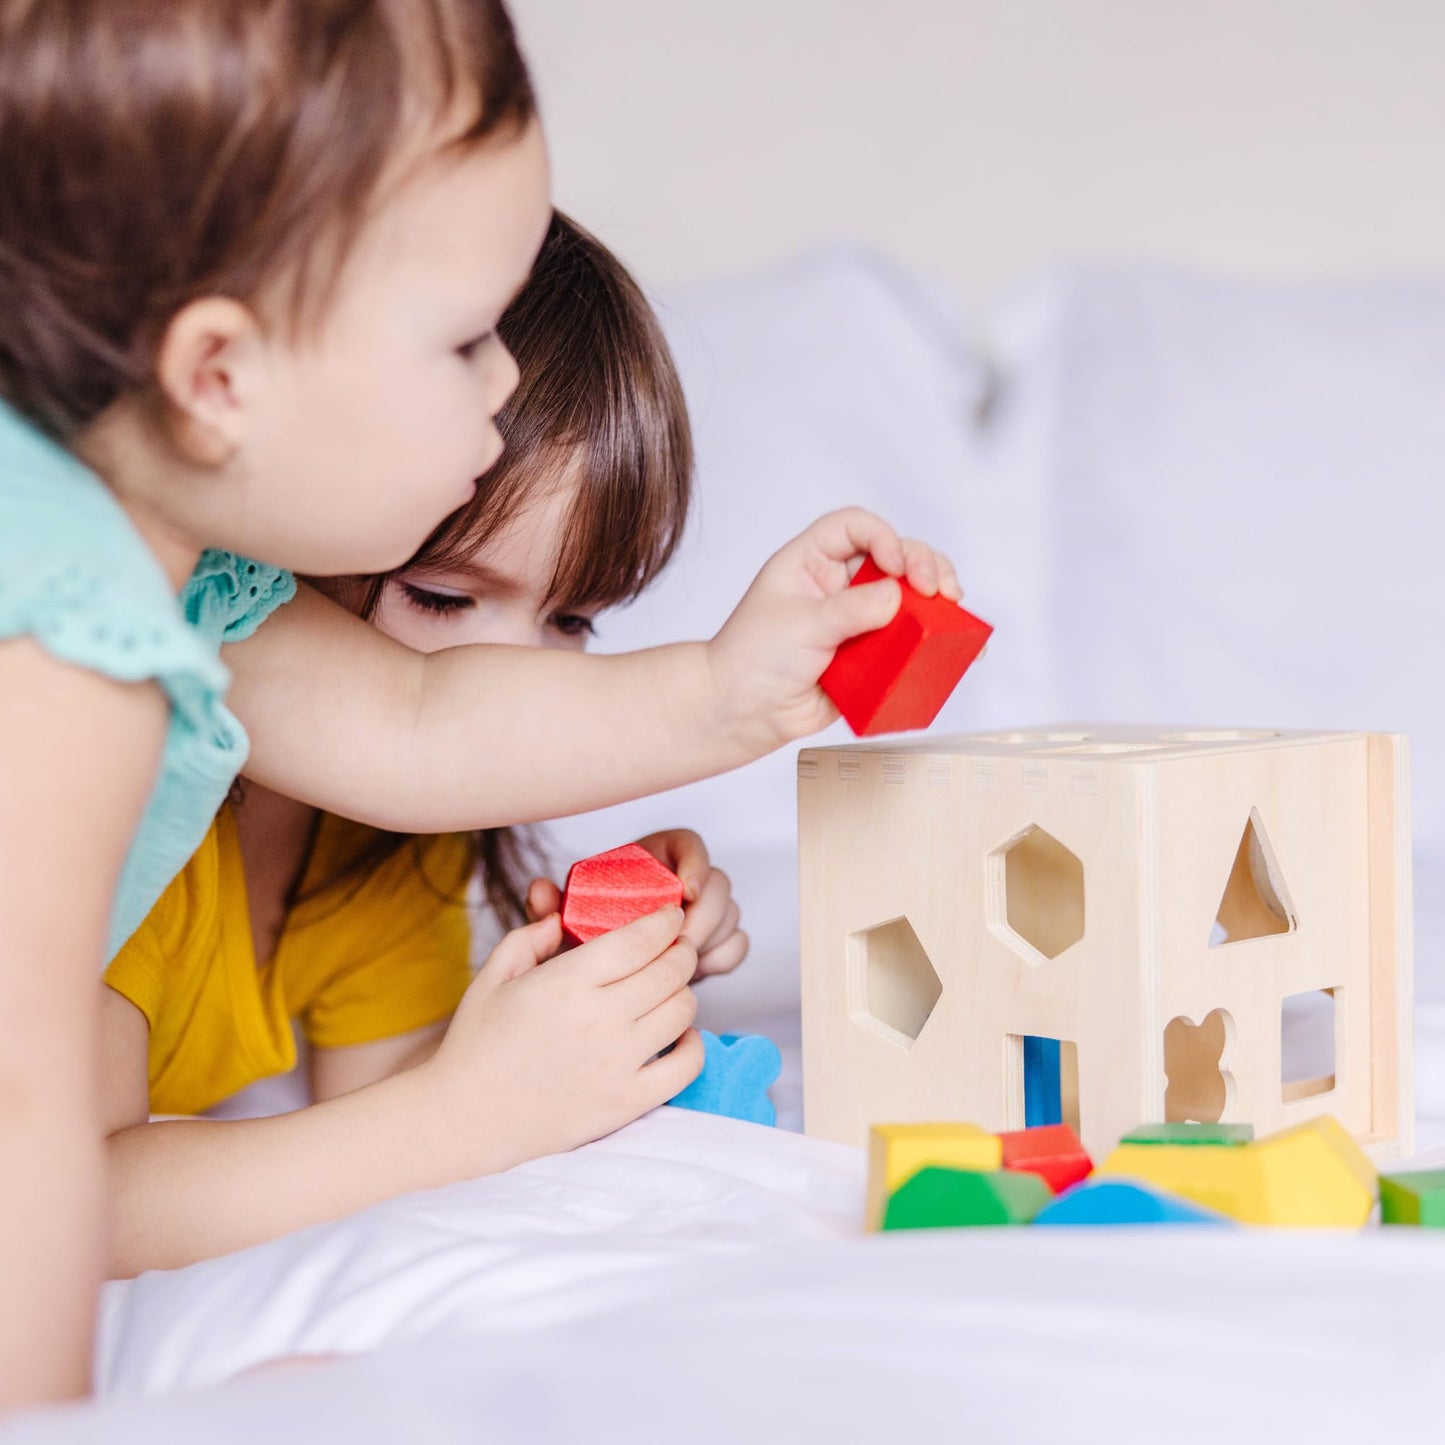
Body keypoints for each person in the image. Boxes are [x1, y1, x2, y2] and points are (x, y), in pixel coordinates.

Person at [0, 0, 956, 1407]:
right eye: (459, 342)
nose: (501, 376)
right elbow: (30, 1141)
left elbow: (417, 729)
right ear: (218, 377)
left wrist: (726, 689)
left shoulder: (188, 592)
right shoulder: (62, 637)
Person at [100, 214, 749, 1276]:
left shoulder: (387, 848)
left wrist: (594, 989)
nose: (523, 675)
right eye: (442, 597)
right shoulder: (125, 786)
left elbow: (380, 1118)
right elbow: (66, 1203)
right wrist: (462, 1112)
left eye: (573, 621)